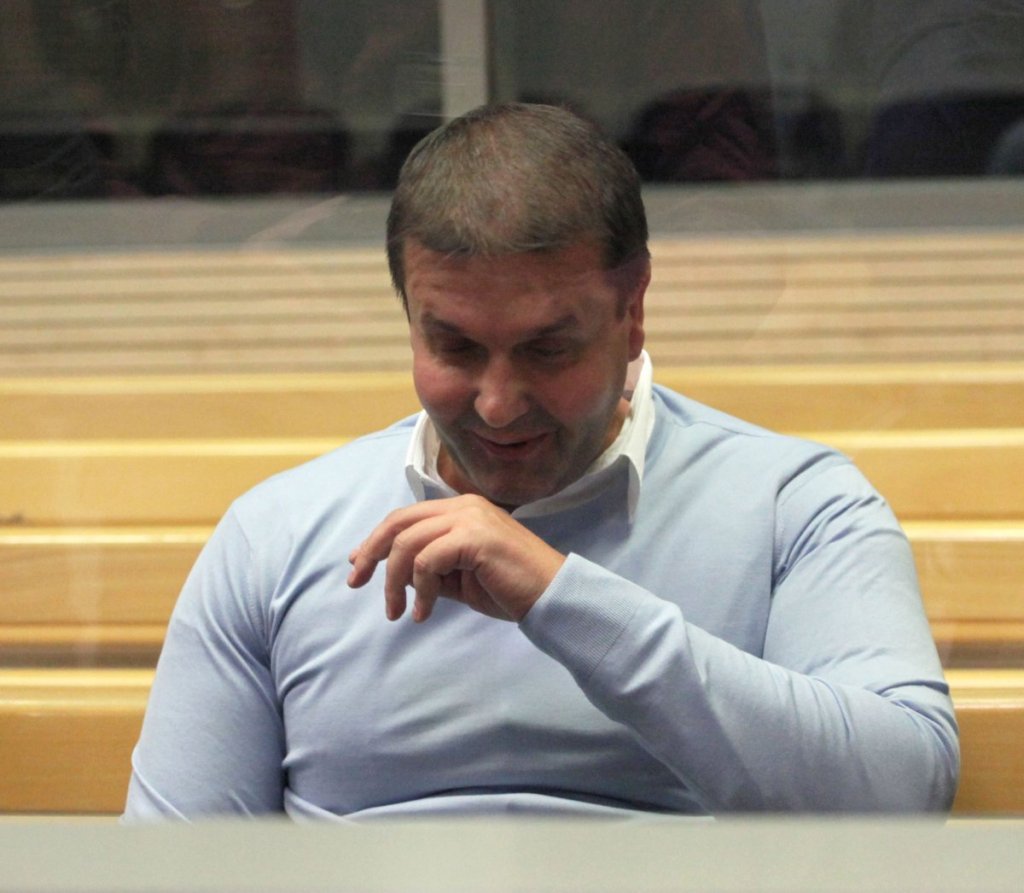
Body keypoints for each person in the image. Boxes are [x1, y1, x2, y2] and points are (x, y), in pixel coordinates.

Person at [124, 102, 958, 821]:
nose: (497, 403)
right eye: (453, 346)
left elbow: (903, 789)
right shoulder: (275, 536)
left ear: (633, 311)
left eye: (547, 349)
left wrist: (562, 597)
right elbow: (171, 866)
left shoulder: (795, 505)